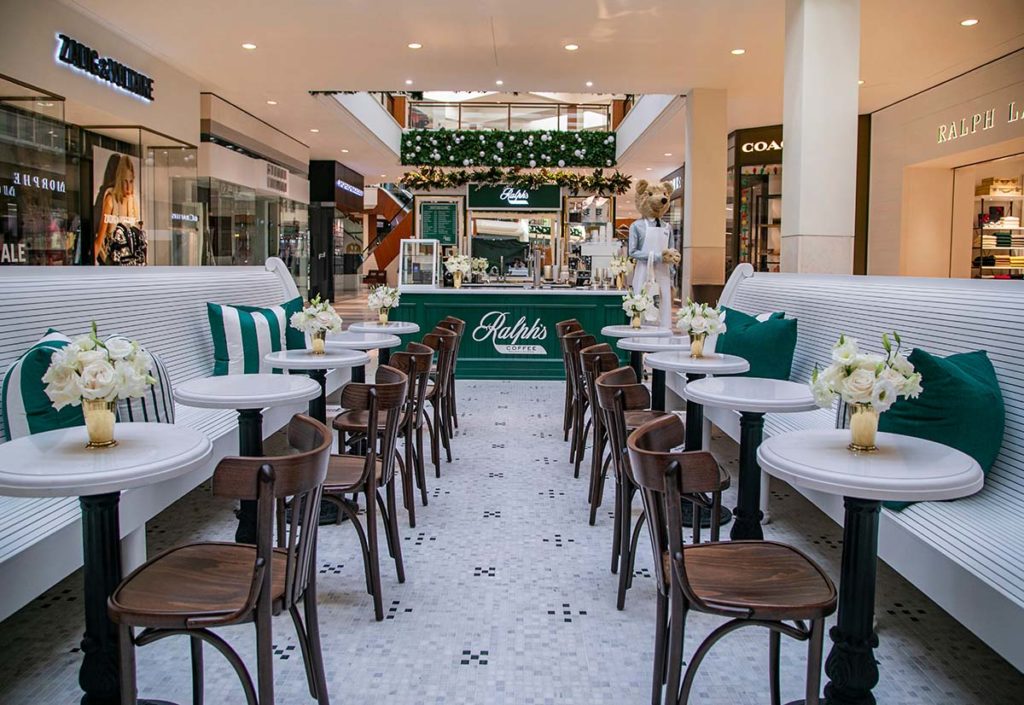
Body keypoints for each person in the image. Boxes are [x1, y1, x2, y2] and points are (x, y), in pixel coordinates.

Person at [94, 154, 145, 265]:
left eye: (131, 181)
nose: (128, 187)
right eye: (125, 181)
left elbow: (138, 241)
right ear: (119, 180)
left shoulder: (133, 202)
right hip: (112, 262)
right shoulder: (111, 200)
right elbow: (99, 240)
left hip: (130, 263)